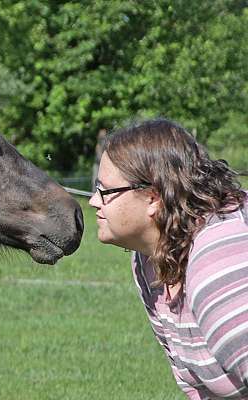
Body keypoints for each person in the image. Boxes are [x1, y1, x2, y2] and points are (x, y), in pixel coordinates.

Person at [89, 118, 248, 399]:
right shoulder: (147, 261)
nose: (93, 201)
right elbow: (196, 384)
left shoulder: (219, 263)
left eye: (105, 191)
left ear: (153, 198)